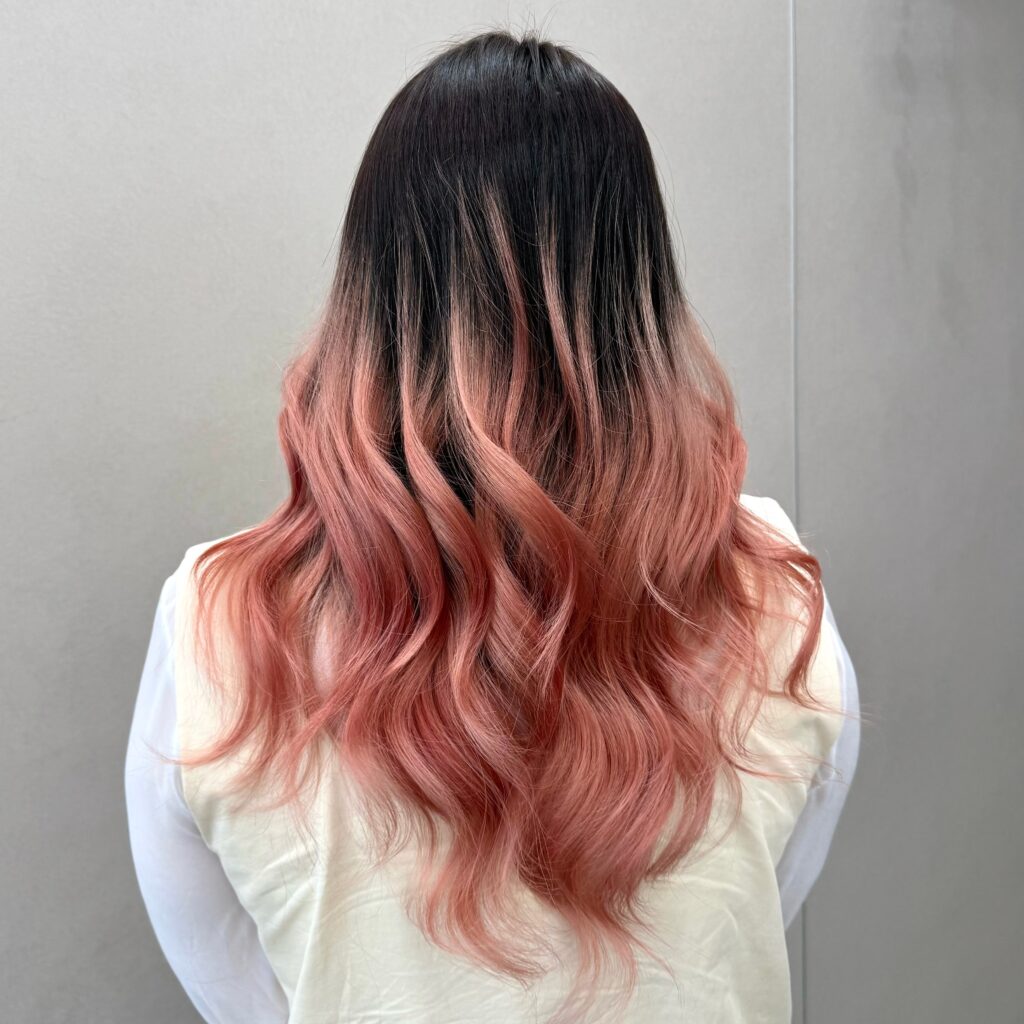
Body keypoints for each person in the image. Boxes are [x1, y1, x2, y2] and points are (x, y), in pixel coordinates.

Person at [125, 29, 860, 1024]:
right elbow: (751, 916)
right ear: (637, 298)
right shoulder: (778, 599)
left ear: (372, 296)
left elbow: (246, 990)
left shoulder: (215, 624)